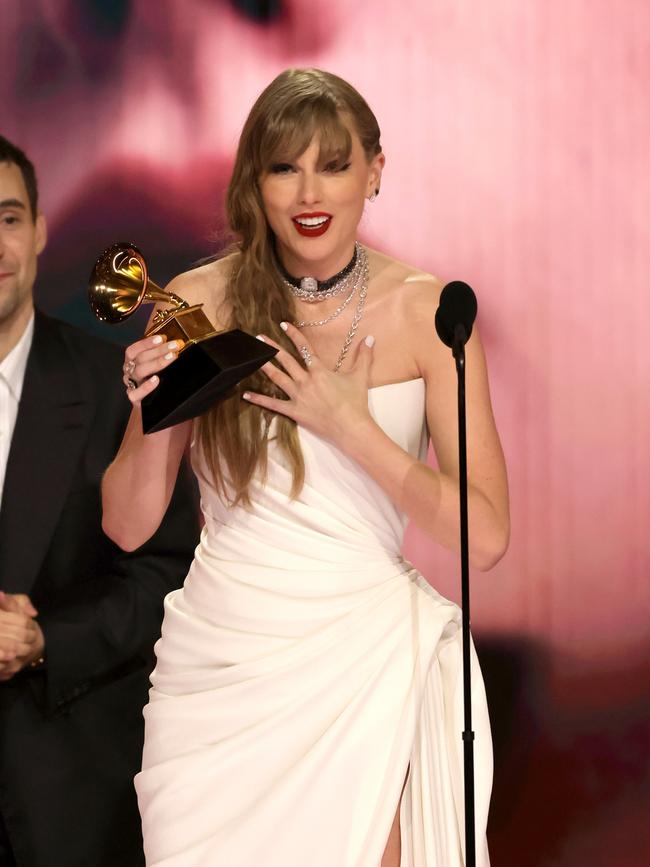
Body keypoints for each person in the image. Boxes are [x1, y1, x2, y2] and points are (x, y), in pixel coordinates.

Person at [102, 68, 510, 867]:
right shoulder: (197, 300)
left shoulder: (429, 312)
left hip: (364, 664)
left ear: (376, 170)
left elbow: (486, 535)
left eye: (332, 163)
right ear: (255, 181)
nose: (308, 191)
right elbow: (126, 524)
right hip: (221, 676)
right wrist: (156, 410)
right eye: (284, 166)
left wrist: (355, 430)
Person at [0, 135, 199, 867]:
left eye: (9, 218)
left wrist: (44, 640)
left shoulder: (115, 387)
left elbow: (164, 577)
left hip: (71, 799)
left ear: (41, 228)